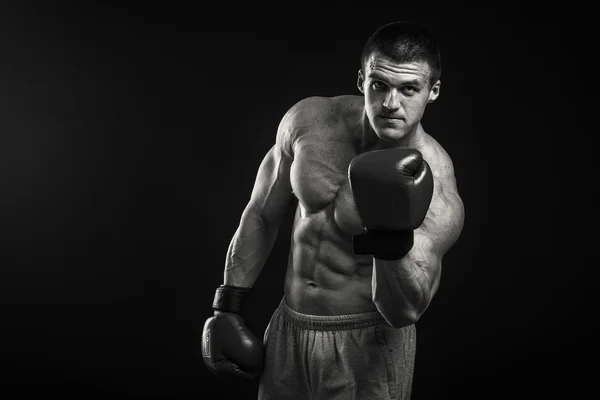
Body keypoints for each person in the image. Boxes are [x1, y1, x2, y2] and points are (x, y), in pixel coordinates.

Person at [202, 21, 465, 400]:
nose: (392, 103)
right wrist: (228, 304)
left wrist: (388, 234)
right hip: (288, 329)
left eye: (409, 89)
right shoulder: (309, 122)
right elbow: (261, 214)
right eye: (380, 85)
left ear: (433, 91)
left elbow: (404, 311)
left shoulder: (435, 182)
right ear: (362, 80)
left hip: (368, 345)